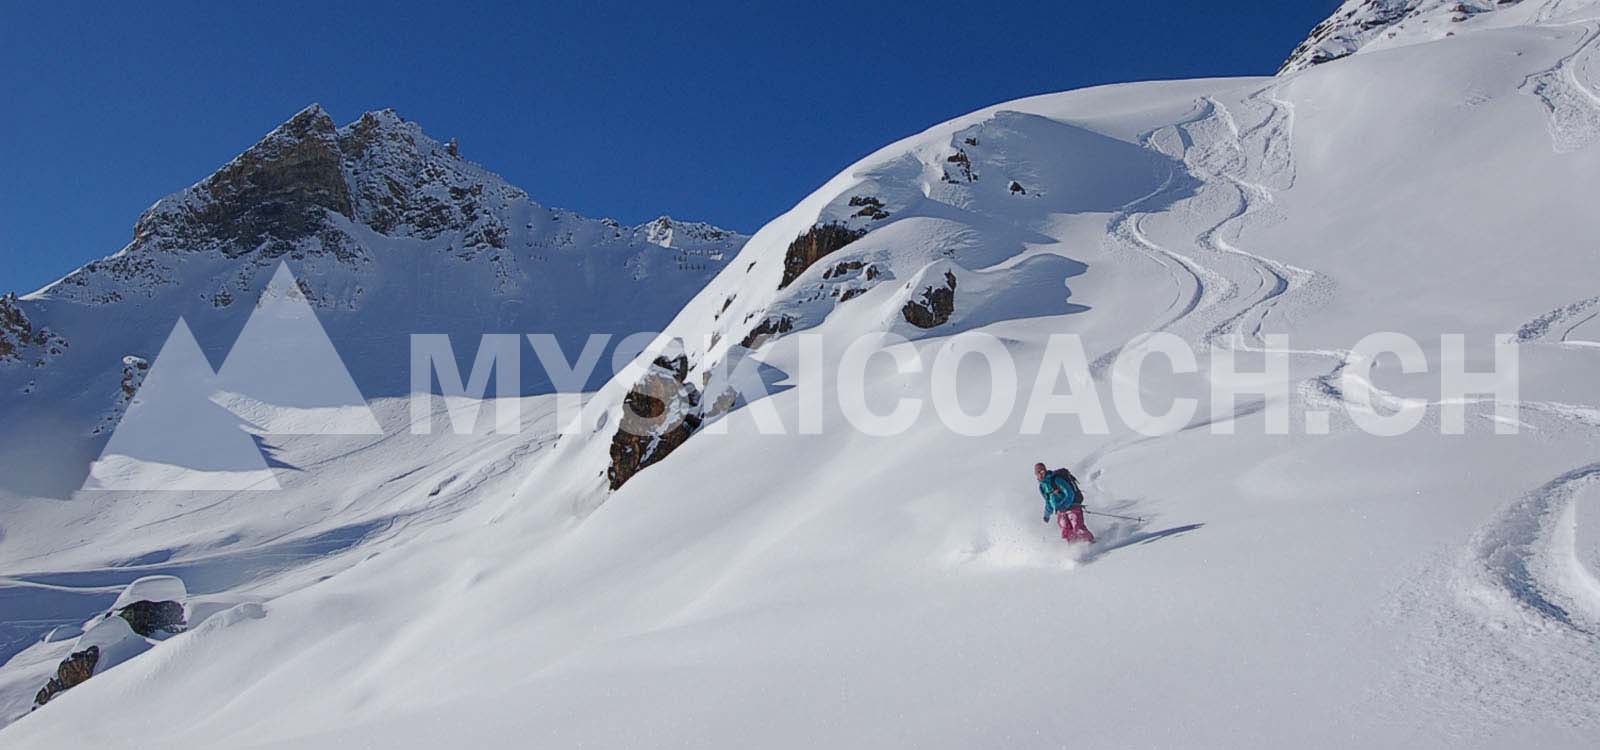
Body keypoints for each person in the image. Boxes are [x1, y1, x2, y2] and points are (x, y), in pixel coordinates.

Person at [1035, 462, 1094, 544]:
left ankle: (1091, 542)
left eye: (1043, 470)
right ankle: (1074, 547)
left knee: (1077, 527)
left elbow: (1069, 493)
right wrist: (1047, 515)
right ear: (1036, 474)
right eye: (1039, 472)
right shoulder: (1042, 487)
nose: (1041, 473)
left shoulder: (1055, 479)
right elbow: (1048, 502)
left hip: (1072, 507)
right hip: (1060, 511)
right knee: (1066, 530)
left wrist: (1064, 505)